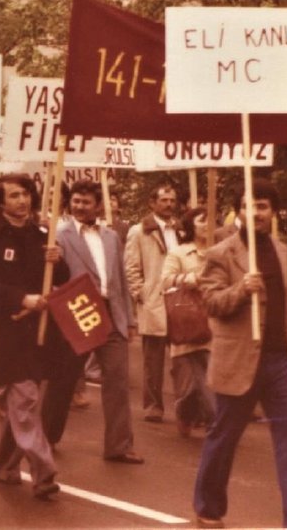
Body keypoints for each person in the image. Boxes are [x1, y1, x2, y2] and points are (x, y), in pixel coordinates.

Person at [193, 179, 287, 529]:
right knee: (224, 436)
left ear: (273, 212)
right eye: (251, 206)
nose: (257, 212)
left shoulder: (281, 250)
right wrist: (240, 289)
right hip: (239, 361)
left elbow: (286, 301)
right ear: (240, 212)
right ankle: (208, 503)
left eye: (264, 206)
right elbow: (211, 302)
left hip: (280, 360)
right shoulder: (221, 253)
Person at [0, 173, 64, 499]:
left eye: (25, 194)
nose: (21, 201)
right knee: (24, 400)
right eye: (13, 195)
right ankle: (44, 473)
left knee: (22, 400)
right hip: (10, 329)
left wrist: (58, 260)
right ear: (0, 201)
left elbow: (59, 279)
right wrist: (20, 299)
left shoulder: (44, 234)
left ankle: (5, 466)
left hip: (42, 330)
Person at [46, 179, 142, 463]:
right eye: (75, 201)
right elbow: (52, 278)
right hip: (78, 312)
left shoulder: (111, 237)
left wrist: (130, 319)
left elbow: (121, 280)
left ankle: (119, 446)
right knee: (63, 381)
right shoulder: (59, 235)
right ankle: (47, 438)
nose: (79, 206)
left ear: (98, 205)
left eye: (86, 202)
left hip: (112, 312)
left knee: (117, 382)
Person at [125, 181, 179, 423]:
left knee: (183, 357)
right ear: (152, 203)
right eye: (164, 200)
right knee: (153, 360)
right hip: (154, 301)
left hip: (180, 300)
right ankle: (153, 406)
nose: (169, 205)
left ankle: (186, 407)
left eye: (172, 201)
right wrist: (141, 294)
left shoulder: (179, 228)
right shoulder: (140, 231)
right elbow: (131, 267)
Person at [160, 206, 215, 437]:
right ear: (191, 225)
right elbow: (165, 281)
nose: (208, 224)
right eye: (202, 220)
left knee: (210, 380)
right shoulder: (179, 253)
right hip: (187, 322)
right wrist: (188, 278)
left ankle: (213, 421)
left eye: (211, 220)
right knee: (189, 384)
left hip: (213, 321)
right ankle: (185, 413)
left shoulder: (219, 252)